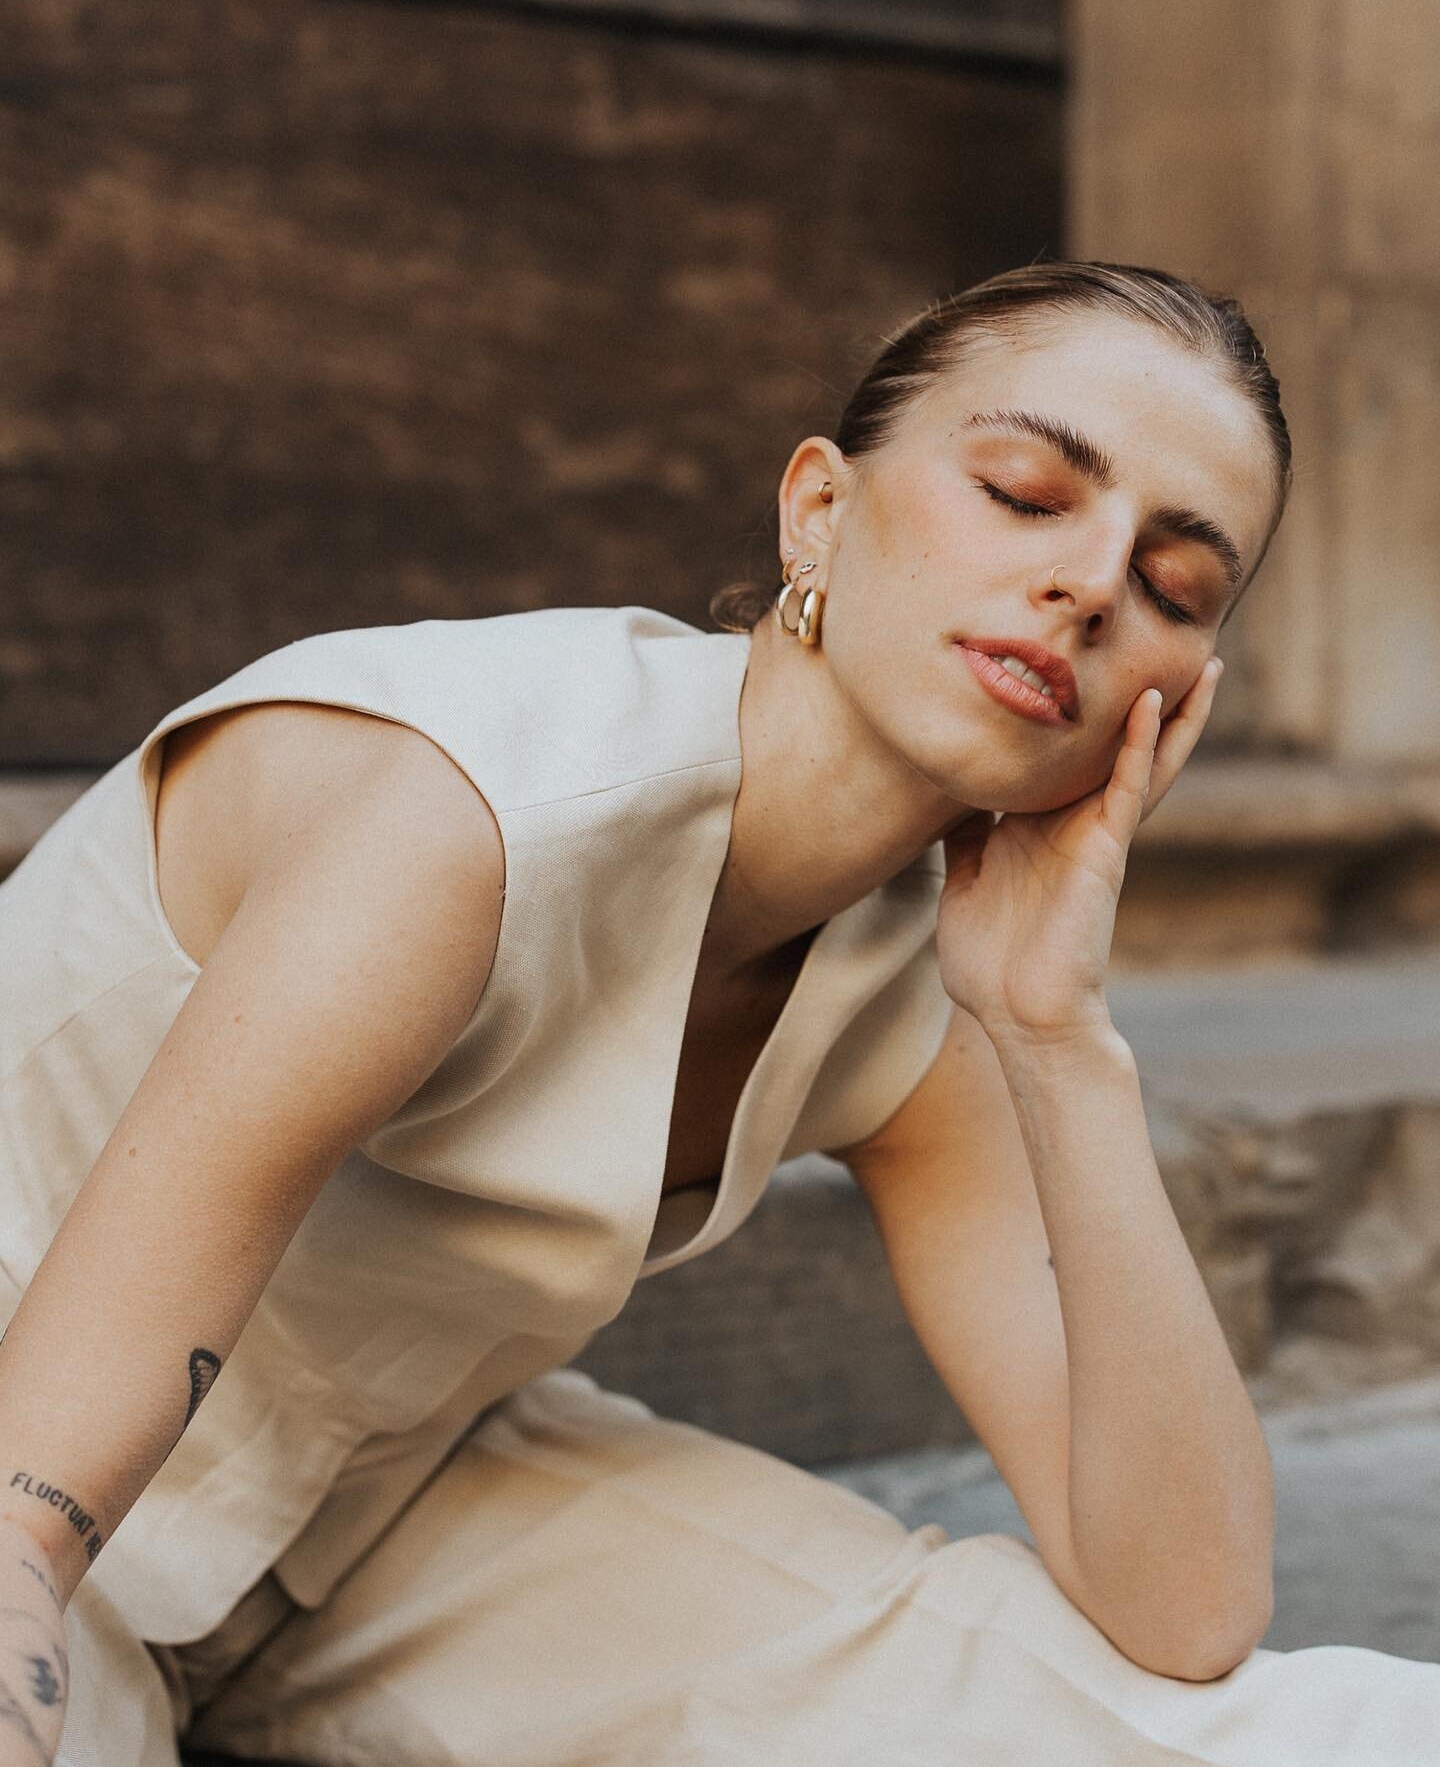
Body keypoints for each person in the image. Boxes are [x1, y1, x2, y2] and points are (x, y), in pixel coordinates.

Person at [0, 260, 1436, 1767]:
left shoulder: (920, 988)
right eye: (1024, 492)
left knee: (1220, 1735)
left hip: (386, 1514)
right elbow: (29, 1515)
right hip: (36, 1452)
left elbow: (1186, 1612)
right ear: (818, 507)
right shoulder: (467, 816)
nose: (1090, 582)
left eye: (1173, 588)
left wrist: (1057, 1036)